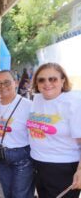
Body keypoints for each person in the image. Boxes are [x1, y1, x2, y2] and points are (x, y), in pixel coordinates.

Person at [27, 63, 81, 198]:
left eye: (53, 79)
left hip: (63, 169)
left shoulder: (73, 102)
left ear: (63, 80)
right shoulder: (37, 99)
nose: (47, 83)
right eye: (41, 79)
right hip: (38, 165)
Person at [0, 70, 34, 198]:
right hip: (1, 157)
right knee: (8, 194)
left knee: (20, 195)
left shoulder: (28, 106)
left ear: (16, 82)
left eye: (7, 82)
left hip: (21, 157)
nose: (2, 86)